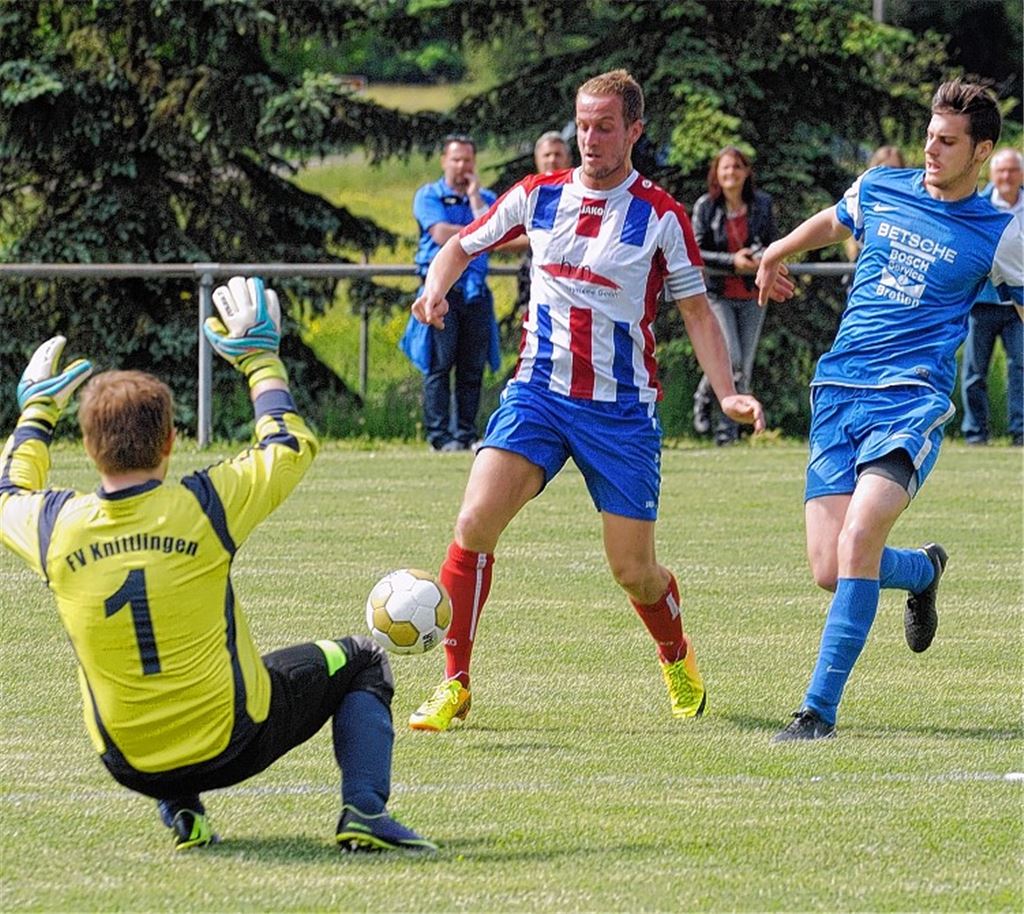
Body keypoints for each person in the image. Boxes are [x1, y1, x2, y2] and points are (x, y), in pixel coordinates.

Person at [405, 69, 792, 732]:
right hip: (538, 397)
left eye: (604, 126)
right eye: (582, 125)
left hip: (620, 412)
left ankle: (675, 652)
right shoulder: (537, 196)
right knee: (473, 525)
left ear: (634, 131)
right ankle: (455, 682)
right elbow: (463, 246)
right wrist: (434, 291)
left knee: (633, 570)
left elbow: (698, 312)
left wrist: (728, 394)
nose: (589, 138)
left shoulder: (662, 217)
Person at [0, 276, 434, 852]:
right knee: (364, 658)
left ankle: (184, 815)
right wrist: (260, 362)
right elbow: (286, 445)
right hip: (235, 742)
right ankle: (364, 812)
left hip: (131, 764)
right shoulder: (202, 507)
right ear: (170, 443)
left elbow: (8, 489)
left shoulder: (56, 527)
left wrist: (34, 412)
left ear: (87, 448)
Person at [755, 80, 1023, 742]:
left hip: (911, 400)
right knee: (831, 567)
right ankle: (923, 570)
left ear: (982, 151)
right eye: (930, 134)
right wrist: (777, 251)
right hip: (839, 390)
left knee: (857, 538)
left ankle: (816, 711)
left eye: (949, 141)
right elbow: (835, 217)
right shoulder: (882, 186)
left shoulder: (1000, 233)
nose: (932, 147)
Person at [401, 134, 501, 452]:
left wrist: (474, 200)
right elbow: (442, 233)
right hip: (442, 291)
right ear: (444, 160)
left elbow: (496, 233)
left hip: (475, 293)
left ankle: (465, 435)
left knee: (472, 368)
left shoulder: (484, 197)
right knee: (439, 365)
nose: (462, 166)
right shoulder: (428, 196)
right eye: (456, 159)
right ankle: (439, 436)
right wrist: (480, 228)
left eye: (468, 160)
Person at [690, 146, 779, 445]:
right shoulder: (706, 207)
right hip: (717, 295)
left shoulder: (762, 205)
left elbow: (773, 244)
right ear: (716, 173)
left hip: (752, 294)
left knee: (743, 367)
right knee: (731, 358)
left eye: (737, 167)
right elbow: (697, 251)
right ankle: (705, 401)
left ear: (746, 172)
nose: (731, 173)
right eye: (725, 168)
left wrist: (759, 257)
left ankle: (726, 434)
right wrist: (732, 262)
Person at [960, 147, 1024, 446]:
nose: (1007, 176)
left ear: (1021, 174)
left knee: (1020, 369)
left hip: (1019, 303)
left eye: (1013, 170)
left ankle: (1020, 433)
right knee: (974, 372)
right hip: (982, 301)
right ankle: (975, 435)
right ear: (992, 174)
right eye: (1002, 170)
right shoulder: (976, 206)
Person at [513, 131, 575, 328]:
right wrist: (543, 238)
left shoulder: (580, 193)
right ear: (537, 159)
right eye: (547, 155)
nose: (552, 160)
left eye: (558, 155)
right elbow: (501, 240)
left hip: (573, 285)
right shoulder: (526, 195)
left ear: (569, 159)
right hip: (535, 283)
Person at [843, 146, 907, 261]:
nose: (889, 174)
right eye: (883, 169)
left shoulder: (908, 202)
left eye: (895, 169)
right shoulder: (864, 194)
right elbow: (841, 225)